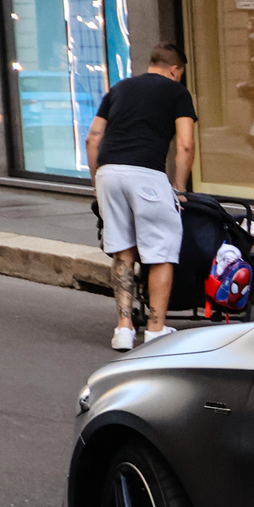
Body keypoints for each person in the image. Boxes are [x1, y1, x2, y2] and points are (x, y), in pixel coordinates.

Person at [84, 42, 198, 352]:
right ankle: (156, 329)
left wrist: (98, 185)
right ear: (175, 70)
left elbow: (92, 139)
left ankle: (123, 329)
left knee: (123, 251)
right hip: (146, 173)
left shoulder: (119, 88)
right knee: (160, 250)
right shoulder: (177, 93)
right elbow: (185, 145)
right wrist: (179, 188)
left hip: (108, 171)